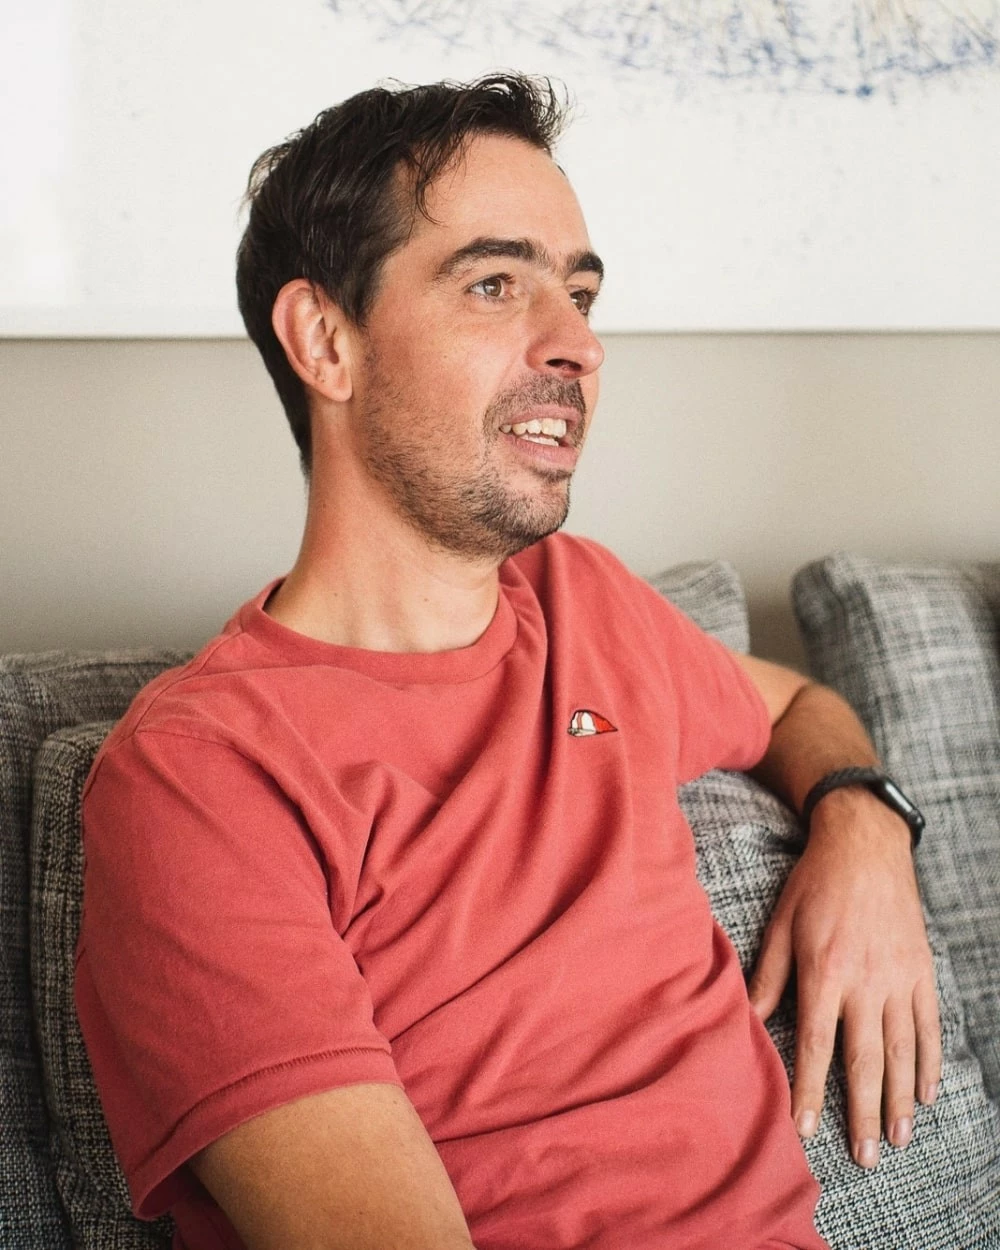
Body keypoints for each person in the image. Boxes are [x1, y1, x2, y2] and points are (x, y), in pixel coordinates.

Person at [76, 74, 940, 1250]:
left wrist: (861, 821)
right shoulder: (199, 774)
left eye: (578, 293)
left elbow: (793, 705)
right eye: (494, 283)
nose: (579, 343)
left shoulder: (585, 603)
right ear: (326, 339)